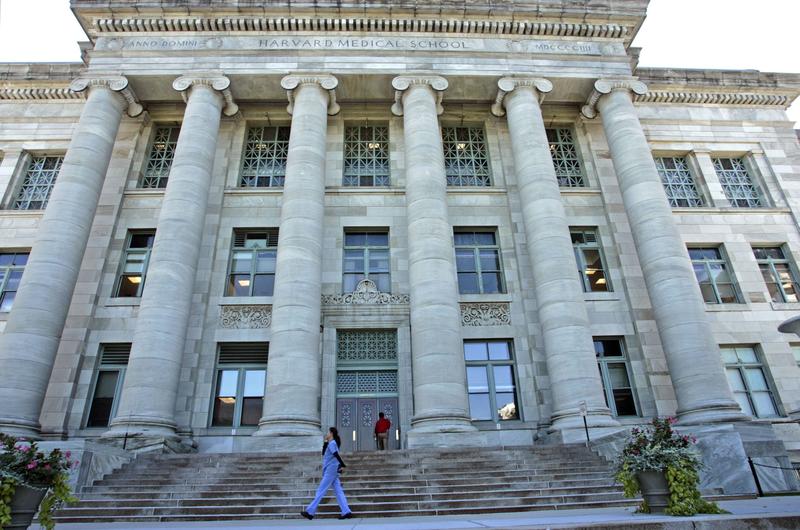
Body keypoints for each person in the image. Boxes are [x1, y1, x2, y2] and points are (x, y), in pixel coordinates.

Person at [300, 427, 352, 520]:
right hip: (332, 469)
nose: (326, 434)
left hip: (331, 470)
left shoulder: (332, 443)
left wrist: (343, 465)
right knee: (338, 491)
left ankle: (310, 512)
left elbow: (336, 455)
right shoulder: (331, 443)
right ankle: (346, 511)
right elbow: (324, 453)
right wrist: (325, 441)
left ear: (331, 433)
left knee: (321, 490)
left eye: (328, 432)